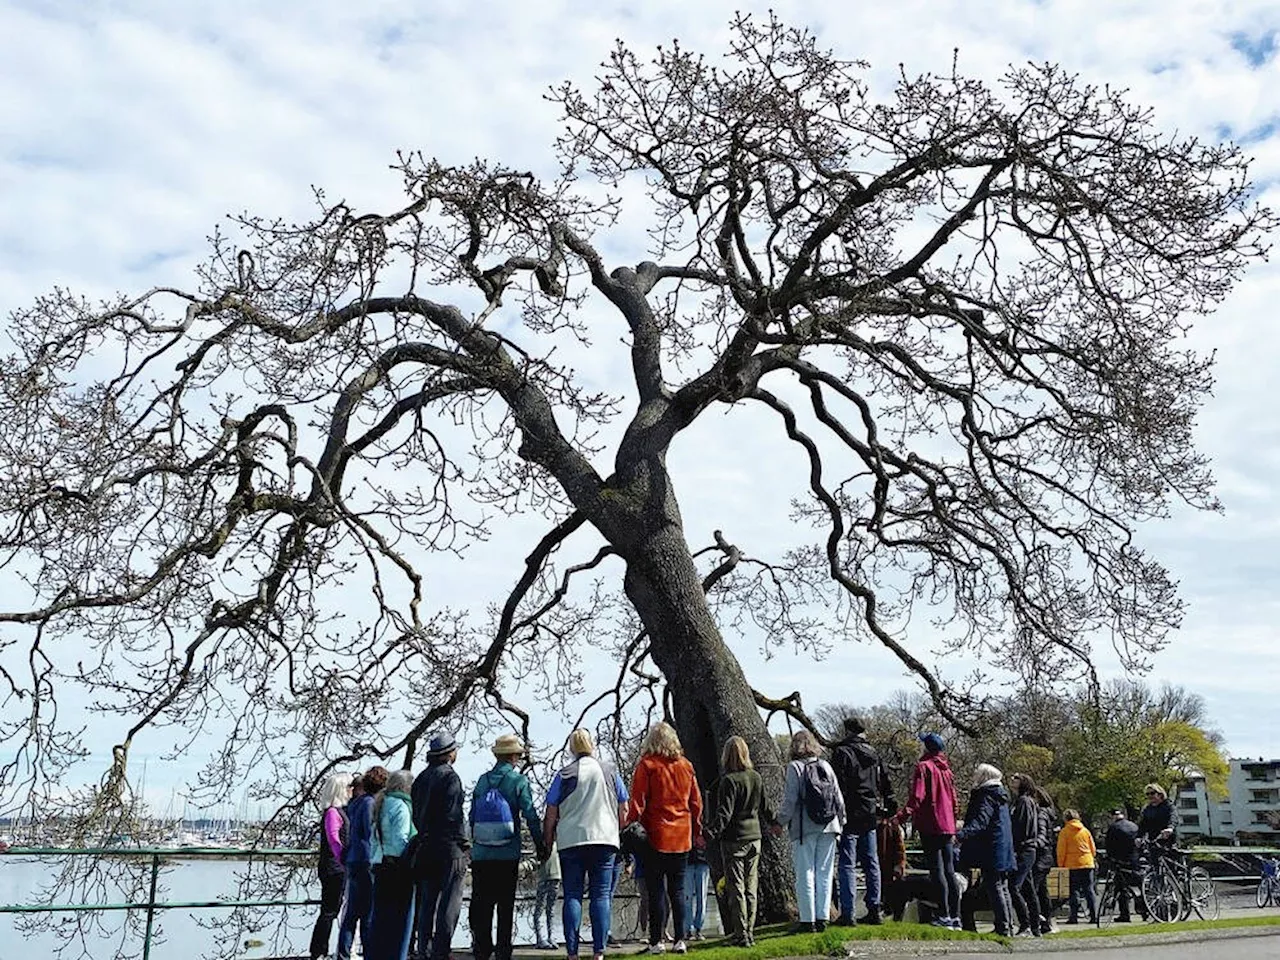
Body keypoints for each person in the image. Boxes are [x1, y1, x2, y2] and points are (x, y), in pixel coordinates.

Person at [543, 728, 628, 960]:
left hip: (571, 840)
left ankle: (572, 952)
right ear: (592, 745)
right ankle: (598, 952)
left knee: (572, 894)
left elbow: (551, 811)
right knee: (600, 896)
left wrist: (548, 838)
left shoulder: (564, 775)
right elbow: (624, 808)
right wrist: (617, 828)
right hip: (604, 838)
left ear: (572, 747)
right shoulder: (610, 771)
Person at [627, 721, 703, 955]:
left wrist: (630, 825)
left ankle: (656, 940)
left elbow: (637, 802)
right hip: (681, 835)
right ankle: (680, 939)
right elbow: (696, 802)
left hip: (655, 835)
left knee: (656, 890)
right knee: (678, 890)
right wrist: (697, 830)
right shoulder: (686, 766)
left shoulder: (647, 766)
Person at [470, 734, 546, 960]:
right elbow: (530, 814)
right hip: (507, 854)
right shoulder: (518, 782)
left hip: (482, 853)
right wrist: (540, 843)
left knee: (482, 904)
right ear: (514, 756)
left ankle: (482, 949)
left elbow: (473, 816)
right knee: (505, 905)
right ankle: (504, 950)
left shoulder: (483, 781)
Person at [703, 735, 774, 947]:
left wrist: (710, 832)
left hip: (734, 839)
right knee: (751, 886)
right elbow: (765, 807)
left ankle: (741, 933)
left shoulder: (729, 781)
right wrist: (775, 822)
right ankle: (749, 931)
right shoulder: (755, 777)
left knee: (737, 888)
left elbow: (725, 813)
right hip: (755, 837)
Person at [830, 716, 893, 926]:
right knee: (871, 862)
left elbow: (838, 785)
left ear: (847, 731)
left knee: (847, 864)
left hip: (849, 812)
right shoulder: (873, 753)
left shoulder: (842, 752)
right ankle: (874, 907)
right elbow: (884, 780)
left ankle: (848, 913)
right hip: (870, 811)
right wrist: (889, 802)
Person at [411, 732, 469, 960]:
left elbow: (415, 815)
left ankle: (423, 948)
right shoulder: (450, 779)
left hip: (425, 846)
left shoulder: (420, 779)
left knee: (427, 902)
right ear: (450, 753)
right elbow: (453, 815)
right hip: (448, 847)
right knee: (449, 903)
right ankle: (441, 950)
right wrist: (463, 845)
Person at [780, 729, 844, 934]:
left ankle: (808, 920)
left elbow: (790, 800)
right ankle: (823, 916)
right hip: (829, 825)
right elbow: (837, 797)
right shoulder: (825, 765)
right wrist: (841, 822)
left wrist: (779, 821)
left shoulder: (795, 768)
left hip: (804, 828)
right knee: (825, 873)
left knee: (805, 873)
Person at [894, 733, 960, 930]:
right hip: (947, 824)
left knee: (937, 870)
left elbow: (918, 796)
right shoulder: (946, 770)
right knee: (949, 870)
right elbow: (955, 800)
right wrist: (954, 820)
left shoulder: (924, 767)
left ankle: (944, 914)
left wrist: (901, 816)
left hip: (931, 823)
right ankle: (955, 915)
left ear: (927, 748)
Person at [955, 764, 1016, 936]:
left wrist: (961, 835)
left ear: (984, 777)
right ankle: (1007, 925)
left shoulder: (986, 796)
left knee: (995, 886)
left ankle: (1003, 926)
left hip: (991, 848)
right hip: (1002, 847)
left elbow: (981, 821)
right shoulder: (1001, 796)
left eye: (977, 774)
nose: (974, 776)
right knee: (1002, 887)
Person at [337, 766, 388, 960]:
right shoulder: (369, 804)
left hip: (353, 860)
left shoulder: (355, 803)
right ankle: (369, 952)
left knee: (352, 912)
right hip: (366, 859)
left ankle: (343, 951)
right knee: (367, 912)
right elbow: (370, 833)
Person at [368, 769, 417, 960]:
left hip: (380, 865)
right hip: (398, 867)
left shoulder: (381, 804)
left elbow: (374, 838)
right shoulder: (402, 806)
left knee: (380, 918)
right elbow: (401, 839)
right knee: (403, 920)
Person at [309, 773, 351, 960]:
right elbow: (334, 839)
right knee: (329, 910)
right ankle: (318, 950)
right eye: (349, 786)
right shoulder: (333, 813)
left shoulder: (338, 811)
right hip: (334, 868)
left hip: (335, 867)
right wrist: (343, 858)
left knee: (331, 910)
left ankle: (320, 950)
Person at [1007, 773, 1044, 937]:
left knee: (1013, 887)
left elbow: (1021, 827)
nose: (1012, 779)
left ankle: (1025, 924)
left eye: (1016, 778)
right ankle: (1035, 927)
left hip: (1024, 849)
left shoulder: (1024, 801)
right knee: (1029, 890)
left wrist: (1015, 846)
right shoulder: (1020, 801)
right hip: (1026, 849)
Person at [1056, 809, 1097, 925]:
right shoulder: (1085, 831)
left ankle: (1074, 917)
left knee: (1073, 891)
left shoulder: (1064, 832)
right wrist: (1091, 858)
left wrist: (1061, 865)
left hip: (1072, 864)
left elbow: (1061, 850)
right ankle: (1094, 916)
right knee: (1089, 890)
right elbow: (1092, 848)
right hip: (1087, 863)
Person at [1103, 808, 1142, 923]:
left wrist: (1110, 859)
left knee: (1121, 888)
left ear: (1112, 817)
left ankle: (1125, 914)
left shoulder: (1113, 828)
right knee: (1140, 885)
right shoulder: (1134, 826)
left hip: (1120, 861)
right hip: (1135, 860)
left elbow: (1109, 846)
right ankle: (1144, 911)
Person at [1030, 786, 1058, 934]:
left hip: (1040, 855)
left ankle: (1036, 920)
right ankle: (1047, 921)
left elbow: (1041, 833)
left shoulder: (1040, 814)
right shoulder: (1048, 813)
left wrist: (1035, 844)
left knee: (1033, 889)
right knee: (1042, 891)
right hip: (1047, 856)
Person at [533, 844, 561, 950]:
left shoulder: (557, 844)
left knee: (550, 910)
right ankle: (541, 938)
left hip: (554, 877)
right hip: (545, 878)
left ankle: (550, 937)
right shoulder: (542, 843)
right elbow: (534, 859)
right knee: (540, 909)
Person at [683, 834, 710, 941]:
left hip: (703, 860)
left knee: (702, 897)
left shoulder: (706, 820)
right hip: (687, 860)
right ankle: (688, 929)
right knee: (687, 897)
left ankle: (698, 928)